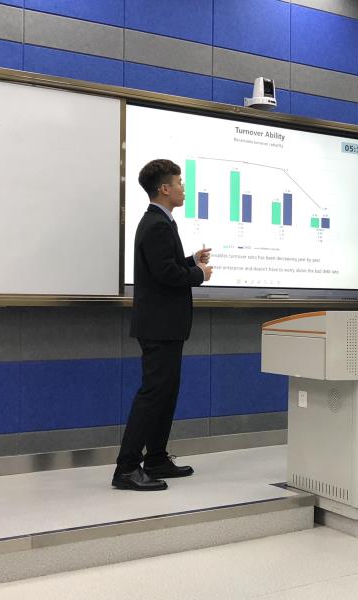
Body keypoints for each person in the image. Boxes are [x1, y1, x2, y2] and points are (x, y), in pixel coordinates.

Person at [113, 159, 213, 491]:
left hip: (165, 326)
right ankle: (127, 467)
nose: (184, 189)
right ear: (165, 188)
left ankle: (155, 458)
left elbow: (165, 265)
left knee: (166, 394)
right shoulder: (156, 224)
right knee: (154, 394)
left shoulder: (161, 222)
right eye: (180, 183)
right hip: (159, 327)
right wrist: (198, 274)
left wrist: (190, 261)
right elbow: (165, 274)